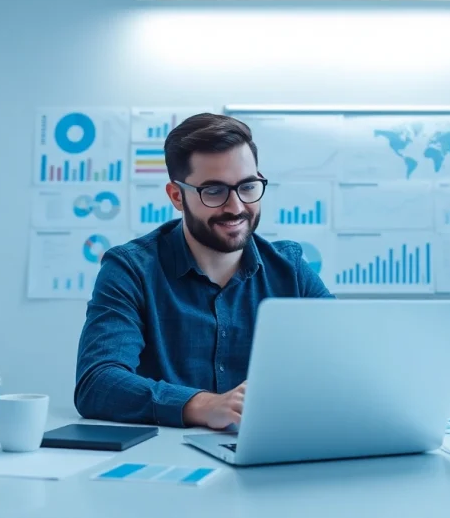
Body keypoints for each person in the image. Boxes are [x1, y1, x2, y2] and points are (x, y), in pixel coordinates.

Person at [74, 112, 333, 430]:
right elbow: (97, 383)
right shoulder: (130, 270)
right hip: (163, 461)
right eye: (214, 191)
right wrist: (202, 405)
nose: (236, 207)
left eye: (248, 187)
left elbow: (350, 357)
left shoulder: (289, 268)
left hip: (273, 450)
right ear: (176, 197)